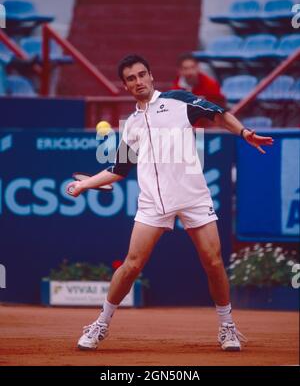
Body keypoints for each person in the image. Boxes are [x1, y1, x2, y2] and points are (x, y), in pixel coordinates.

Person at [66, 55, 274, 352]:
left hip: (193, 196)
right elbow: (118, 170)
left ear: (151, 76)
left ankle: (227, 327)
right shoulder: (132, 124)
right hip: (153, 202)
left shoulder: (179, 100)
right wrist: (84, 185)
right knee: (131, 265)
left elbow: (219, 113)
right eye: (131, 78)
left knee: (213, 263)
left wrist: (243, 133)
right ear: (125, 85)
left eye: (142, 75)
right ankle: (100, 323)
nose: (138, 82)